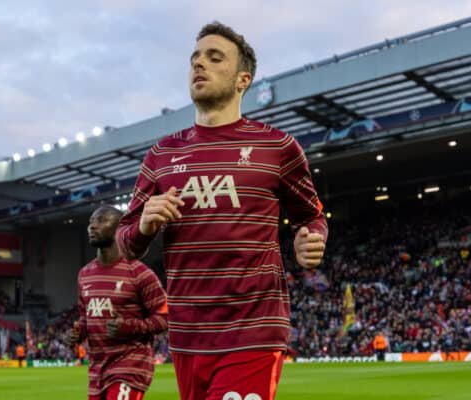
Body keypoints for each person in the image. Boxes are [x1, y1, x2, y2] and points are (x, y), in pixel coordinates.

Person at [116, 22, 328, 400]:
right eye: (195, 58)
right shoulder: (161, 156)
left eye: (215, 58)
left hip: (254, 328)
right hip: (187, 335)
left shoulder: (277, 147)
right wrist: (145, 223)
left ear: (242, 79)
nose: (200, 64)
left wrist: (312, 239)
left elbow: (310, 215)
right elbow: (126, 243)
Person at [70, 205, 168, 400]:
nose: (92, 227)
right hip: (97, 370)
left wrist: (130, 327)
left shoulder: (140, 274)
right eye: (91, 222)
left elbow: (166, 318)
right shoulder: (84, 275)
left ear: (119, 227)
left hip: (130, 366)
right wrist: (77, 333)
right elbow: (85, 318)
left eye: (101, 220)